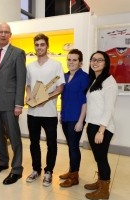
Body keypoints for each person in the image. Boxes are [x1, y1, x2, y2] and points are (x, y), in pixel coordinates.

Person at [0, 22, 26, 185]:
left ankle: (16, 169)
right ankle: (3, 162)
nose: (3, 35)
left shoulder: (17, 53)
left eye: (6, 32)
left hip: (10, 104)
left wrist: (19, 104)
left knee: (14, 136)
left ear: (10, 35)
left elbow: (21, 80)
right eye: (0, 32)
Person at [25, 33, 65, 187]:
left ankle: (49, 172)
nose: (39, 47)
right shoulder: (30, 66)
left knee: (51, 144)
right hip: (32, 113)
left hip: (49, 113)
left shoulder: (56, 65)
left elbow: (60, 87)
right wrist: (29, 95)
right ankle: (36, 170)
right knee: (34, 143)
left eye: (42, 44)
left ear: (47, 46)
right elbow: (28, 85)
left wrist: (44, 99)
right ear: (34, 47)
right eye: (37, 45)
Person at [84, 51, 118, 200]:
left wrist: (101, 130)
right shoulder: (94, 80)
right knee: (98, 157)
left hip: (102, 128)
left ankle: (104, 190)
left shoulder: (109, 81)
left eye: (99, 60)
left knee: (102, 158)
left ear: (106, 63)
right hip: (93, 124)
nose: (95, 62)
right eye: (93, 60)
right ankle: (100, 182)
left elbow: (109, 108)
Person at [59, 49, 89, 187]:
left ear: (80, 63)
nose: (71, 62)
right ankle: (72, 171)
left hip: (76, 117)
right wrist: (60, 113)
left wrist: (80, 121)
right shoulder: (64, 76)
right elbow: (63, 97)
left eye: (74, 60)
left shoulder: (84, 77)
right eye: (69, 59)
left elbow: (85, 100)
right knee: (70, 145)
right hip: (65, 116)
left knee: (74, 147)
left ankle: (74, 177)